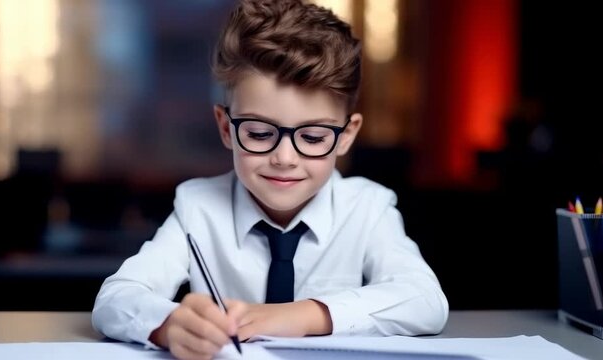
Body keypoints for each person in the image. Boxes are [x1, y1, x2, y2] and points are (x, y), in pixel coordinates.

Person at [92, 0, 449, 359]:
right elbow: (116, 298)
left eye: (312, 138)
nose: (284, 158)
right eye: (260, 133)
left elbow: (425, 299)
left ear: (346, 135)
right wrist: (168, 325)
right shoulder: (197, 207)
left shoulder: (368, 208)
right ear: (225, 127)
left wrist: (302, 315)